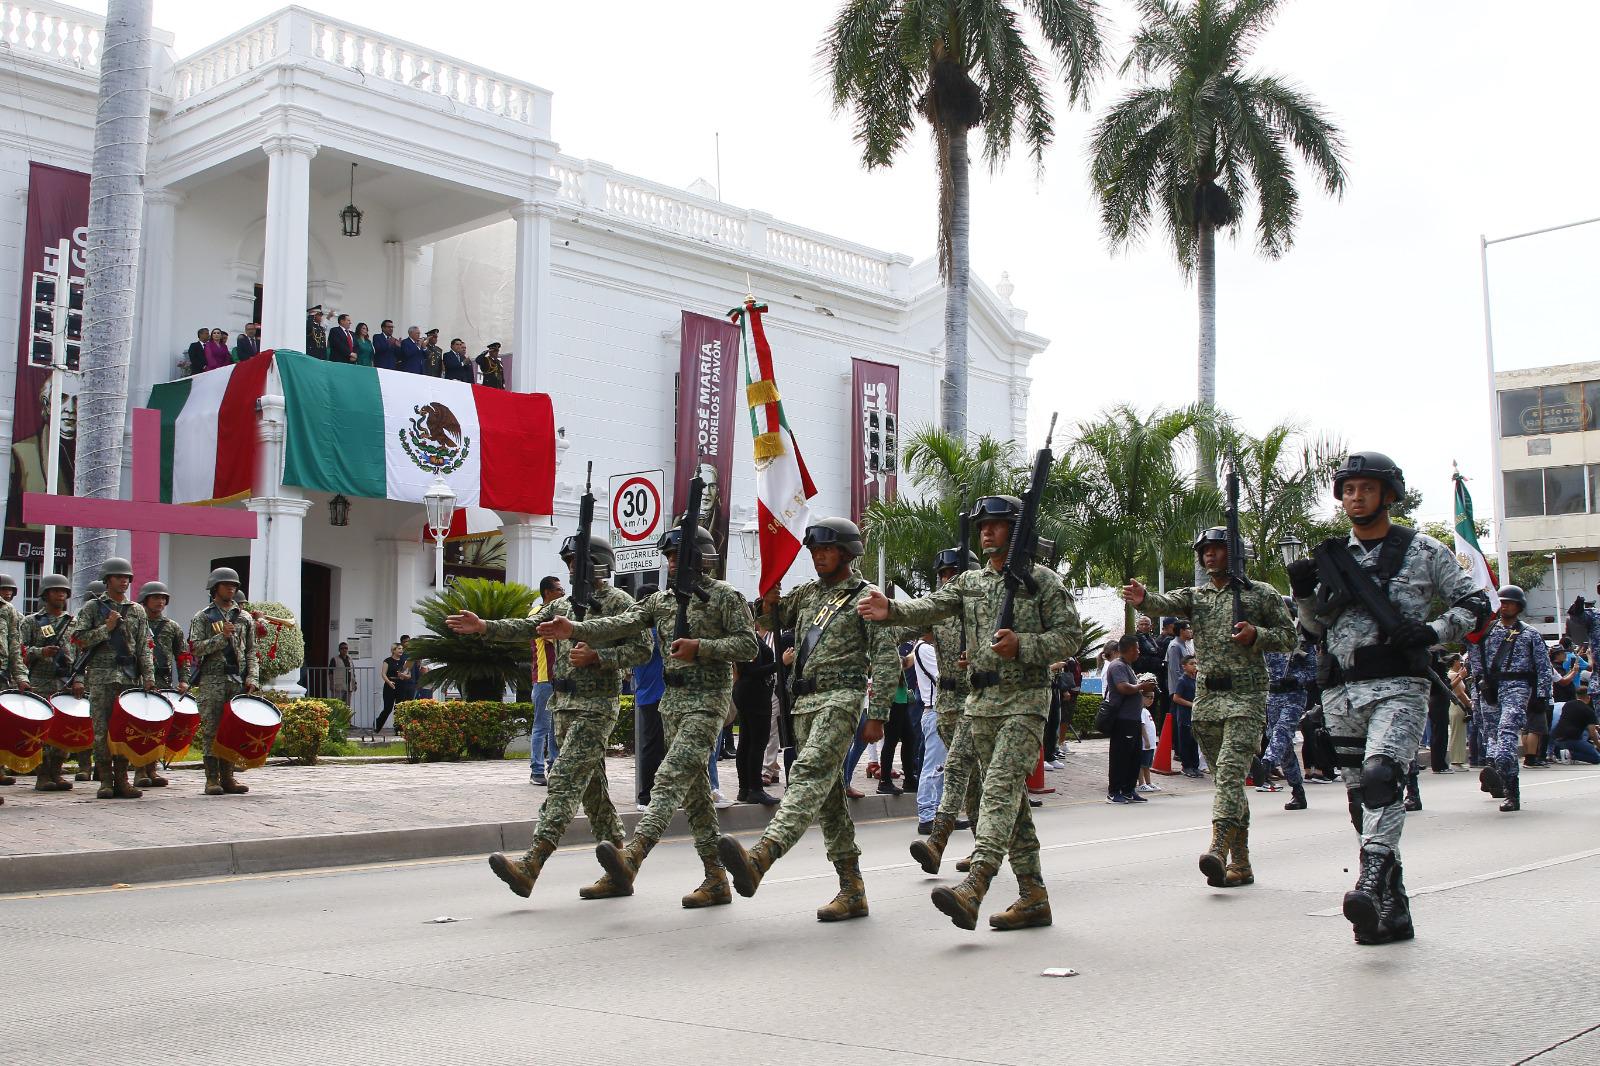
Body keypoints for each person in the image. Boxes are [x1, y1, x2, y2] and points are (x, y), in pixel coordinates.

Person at [1287, 451, 1490, 945]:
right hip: (1340, 691)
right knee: (1362, 799)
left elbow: (1475, 604)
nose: (1356, 497)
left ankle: (1370, 883)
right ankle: (1392, 910)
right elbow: (1312, 629)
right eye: (1349, 490)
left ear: (1388, 494)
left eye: (1366, 488)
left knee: (1382, 780)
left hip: (1399, 685)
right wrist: (1303, 594)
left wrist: (1432, 630)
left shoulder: (1424, 550)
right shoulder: (1331, 556)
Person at [861, 497, 1082, 931]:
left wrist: (1025, 645)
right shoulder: (971, 582)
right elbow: (933, 606)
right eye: (983, 525)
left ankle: (976, 886)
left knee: (998, 790)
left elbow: (1069, 637)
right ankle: (1034, 896)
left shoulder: (1042, 582)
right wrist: (893, 611)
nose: (986, 532)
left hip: (1024, 701)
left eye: (997, 525)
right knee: (1011, 805)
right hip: (979, 706)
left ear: (1016, 532)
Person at [537, 526, 754, 907]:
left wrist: (701, 647)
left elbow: (748, 645)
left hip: (708, 701)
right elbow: (619, 624)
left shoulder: (725, 596)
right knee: (697, 793)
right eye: (668, 557)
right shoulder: (662, 601)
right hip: (673, 703)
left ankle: (632, 856)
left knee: (668, 778)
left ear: (701, 557)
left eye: (679, 556)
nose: (672, 563)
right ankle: (715, 878)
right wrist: (575, 628)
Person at [718, 518, 903, 922]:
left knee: (807, 774)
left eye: (828, 549)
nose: (819, 555)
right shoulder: (805, 594)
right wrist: (767, 599)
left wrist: (879, 714)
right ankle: (852, 889)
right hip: (803, 704)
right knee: (830, 800)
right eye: (815, 550)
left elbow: (887, 658)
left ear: (848, 552)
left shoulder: (865, 596)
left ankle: (761, 857)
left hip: (842, 698)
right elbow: (766, 620)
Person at [456, 539, 651, 902]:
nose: (572, 568)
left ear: (599, 565)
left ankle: (531, 865)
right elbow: (525, 627)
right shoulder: (560, 605)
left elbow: (643, 648)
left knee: (562, 777)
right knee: (593, 793)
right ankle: (621, 870)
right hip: (563, 705)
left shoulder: (618, 603)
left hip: (597, 704)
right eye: (569, 562)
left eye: (579, 562)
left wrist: (600, 656)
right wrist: (484, 626)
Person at [1126, 528, 1296, 890]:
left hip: (1247, 697)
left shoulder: (1260, 594)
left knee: (1232, 775)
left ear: (1235, 554)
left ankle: (1218, 849)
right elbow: (1163, 603)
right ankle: (1243, 863)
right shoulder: (1197, 596)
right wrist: (1143, 599)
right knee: (1226, 783)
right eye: (1205, 551)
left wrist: (1257, 635)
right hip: (1208, 699)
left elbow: (1288, 637)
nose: (1209, 556)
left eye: (1217, 550)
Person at [67, 557, 156, 800]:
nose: (124, 581)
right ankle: (105, 780)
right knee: (101, 731)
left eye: (127, 577)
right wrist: (106, 628)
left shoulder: (137, 610)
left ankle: (122, 780)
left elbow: (143, 647)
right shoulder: (93, 608)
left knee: (125, 731)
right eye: (119, 577)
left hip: (128, 678)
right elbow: (79, 639)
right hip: (101, 677)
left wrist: (148, 676)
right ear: (107, 580)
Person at [1468, 585, 1551, 812]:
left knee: (1505, 739)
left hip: (1517, 687)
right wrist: (1477, 696)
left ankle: (1512, 793)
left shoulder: (1529, 634)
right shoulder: (1486, 632)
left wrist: (1543, 696)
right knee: (1492, 743)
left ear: (1519, 606)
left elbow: (1543, 668)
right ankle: (1501, 782)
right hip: (1490, 691)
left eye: (1509, 602)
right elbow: (1476, 665)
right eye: (1502, 601)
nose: (1504, 605)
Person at [189, 567, 260, 796]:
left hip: (236, 680)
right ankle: (212, 779)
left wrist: (252, 677)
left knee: (232, 730)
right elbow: (196, 648)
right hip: (212, 679)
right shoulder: (203, 617)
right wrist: (221, 638)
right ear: (215, 588)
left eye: (234, 585)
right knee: (211, 728)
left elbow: (251, 651)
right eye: (226, 584)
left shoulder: (244, 618)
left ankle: (228, 777)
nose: (231, 588)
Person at [22, 573, 84, 791]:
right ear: (45, 594)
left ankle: (56, 772)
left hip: (66, 683)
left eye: (64, 591)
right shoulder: (32, 622)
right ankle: (43, 775)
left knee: (63, 731)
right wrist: (41, 652)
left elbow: (81, 656)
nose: (61, 594)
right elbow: (20, 652)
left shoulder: (74, 623)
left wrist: (79, 679)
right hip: (40, 682)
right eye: (56, 591)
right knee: (42, 732)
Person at [134, 580, 188, 789]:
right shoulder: (137, 623)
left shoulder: (172, 627)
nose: (160, 601)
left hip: (163, 680)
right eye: (156, 597)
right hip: (139, 680)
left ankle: (152, 769)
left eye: (163, 598)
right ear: (145, 600)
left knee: (158, 727)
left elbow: (182, 655)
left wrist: (183, 679)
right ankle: (139, 770)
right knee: (141, 726)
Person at [1261, 622, 1318, 810]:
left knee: (1282, 731)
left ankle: (1267, 762)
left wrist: (1296, 678)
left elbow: (1312, 671)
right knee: (1280, 743)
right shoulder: (1267, 639)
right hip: (1272, 696)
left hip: (1294, 695)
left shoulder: (1302, 642)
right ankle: (1297, 790)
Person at [733, 613, 780, 805]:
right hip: (753, 693)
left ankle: (745, 788)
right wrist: (780, 664)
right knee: (756, 743)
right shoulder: (747, 639)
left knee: (746, 741)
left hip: (749, 692)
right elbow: (751, 671)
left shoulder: (744, 638)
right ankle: (755, 788)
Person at [527, 575, 566, 784]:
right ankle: (536, 770)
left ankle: (554, 767)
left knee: (554, 728)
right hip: (543, 678)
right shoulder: (538, 614)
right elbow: (555, 637)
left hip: (558, 678)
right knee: (541, 726)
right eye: (559, 590)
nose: (563, 593)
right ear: (548, 593)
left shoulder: (556, 614)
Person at [1104, 636, 1152, 804]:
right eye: (1137, 648)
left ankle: (1128, 790)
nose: (1139, 652)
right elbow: (1122, 687)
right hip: (1122, 719)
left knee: (1134, 756)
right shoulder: (1117, 665)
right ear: (1130, 649)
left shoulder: (1127, 666)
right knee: (1120, 756)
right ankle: (1114, 791)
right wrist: (1141, 686)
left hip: (1133, 719)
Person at [632, 584, 665, 808]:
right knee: (654, 748)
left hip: (648, 695)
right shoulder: (652, 633)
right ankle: (646, 796)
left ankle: (650, 795)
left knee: (654, 747)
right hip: (656, 696)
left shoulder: (637, 632)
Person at [1165, 620, 1200, 776]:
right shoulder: (1174, 646)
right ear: (1180, 631)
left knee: (1193, 736)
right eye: (1188, 628)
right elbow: (1174, 670)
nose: (1190, 631)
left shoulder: (1188, 644)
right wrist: (1185, 683)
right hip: (1180, 691)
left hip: (1191, 688)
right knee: (1182, 731)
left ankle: (1194, 765)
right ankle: (1184, 760)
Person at [1551, 688, 1600, 763]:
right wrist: (1598, 745)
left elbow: (1572, 719)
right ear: (1588, 697)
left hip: (1556, 738)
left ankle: (1559, 753)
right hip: (1571, 739)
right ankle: (1569, 755)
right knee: (1597, 758)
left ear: (1576, 695)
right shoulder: (1589, 711)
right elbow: (1592, 734)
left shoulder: (1567, 704)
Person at [377, 643, 408, 734]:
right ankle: (377, 726)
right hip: (389, 685)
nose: (401, 650)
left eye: (402, 649)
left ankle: (398, 729)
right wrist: (389, 682)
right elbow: (383, 674)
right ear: (393, 650)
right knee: (388, 708)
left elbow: (408, 675)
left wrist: (403, 675)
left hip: (401, 685)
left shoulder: (404, 661)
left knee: (399, 708)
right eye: (399, 648)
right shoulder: (387, 661)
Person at [1137, 677, 1161, 793]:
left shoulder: (1146, 711)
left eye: (1152, 698)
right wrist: (1146, 741)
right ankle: (1141, 783)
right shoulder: (1141, 711)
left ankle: (1149, 782)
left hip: (1151, 745)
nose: (1151, 700)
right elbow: (1142, 727)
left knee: (1147, 765)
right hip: (1145, 744)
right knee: (1142, 764)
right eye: (1148, 697)